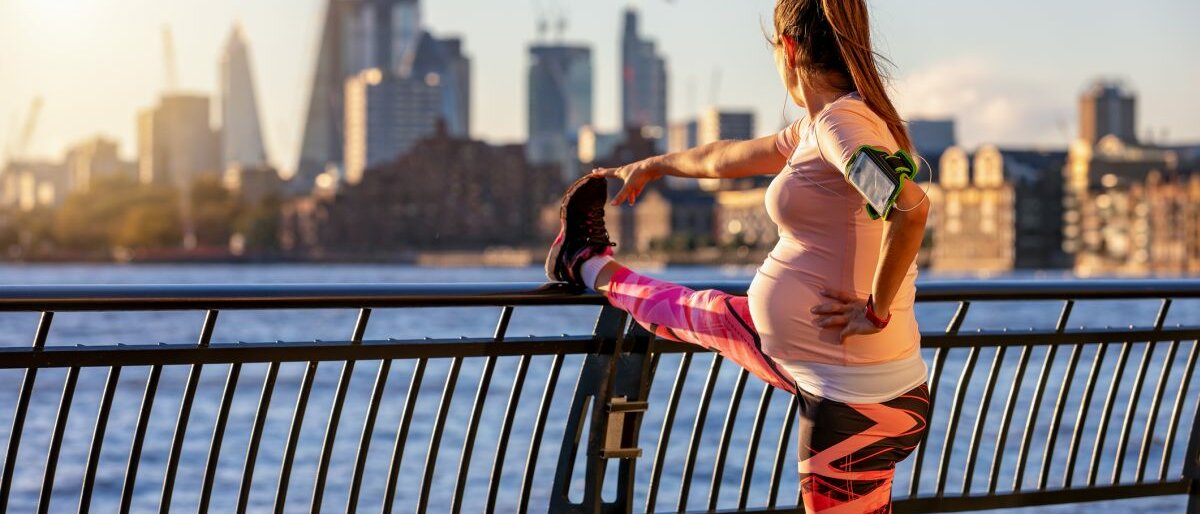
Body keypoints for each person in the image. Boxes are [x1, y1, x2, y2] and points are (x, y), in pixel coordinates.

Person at [544, 0, 930, 511]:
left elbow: (910, 209)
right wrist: (655, 165)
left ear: (788, 49)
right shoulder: (817, 130)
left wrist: (875, 310)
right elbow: (725, 157)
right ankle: (585, 261)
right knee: (693, 311)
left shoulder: (842, 127)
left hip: (856, 400)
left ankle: (584, 261)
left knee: (695, 313)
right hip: (826, 369)